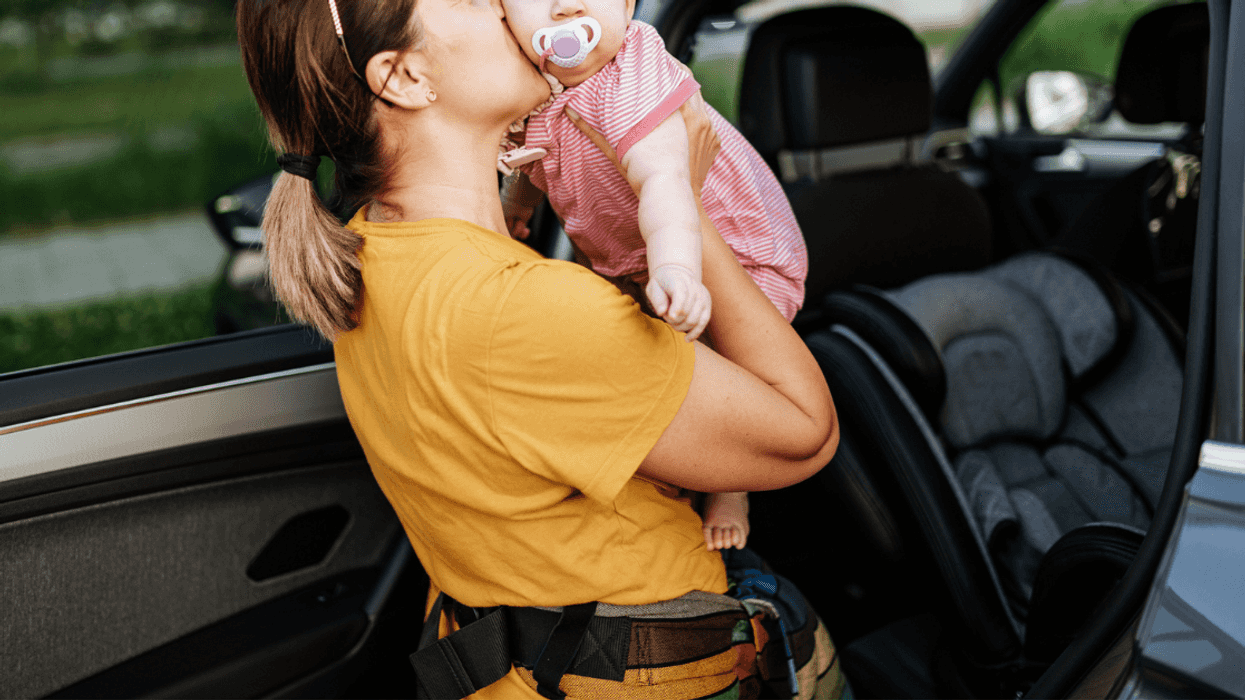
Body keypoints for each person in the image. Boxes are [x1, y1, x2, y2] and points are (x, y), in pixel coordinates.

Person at [235, 0, 844, 696]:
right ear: (403, 77)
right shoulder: (523, 309)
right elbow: (804, 435)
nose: (505, 4)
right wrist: (691, 216)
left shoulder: (374, 249)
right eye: (469, 1)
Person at [498, 0, 808, 552]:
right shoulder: (533, 95)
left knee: (728, 370)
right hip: (638, 259)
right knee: (660, 364)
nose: (566, 6)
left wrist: (677, 267)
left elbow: (664, 180)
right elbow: (532, 160)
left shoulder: (633, 76)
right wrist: (516, 210)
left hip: (733, 252)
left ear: (625, 6)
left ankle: (733, 486)